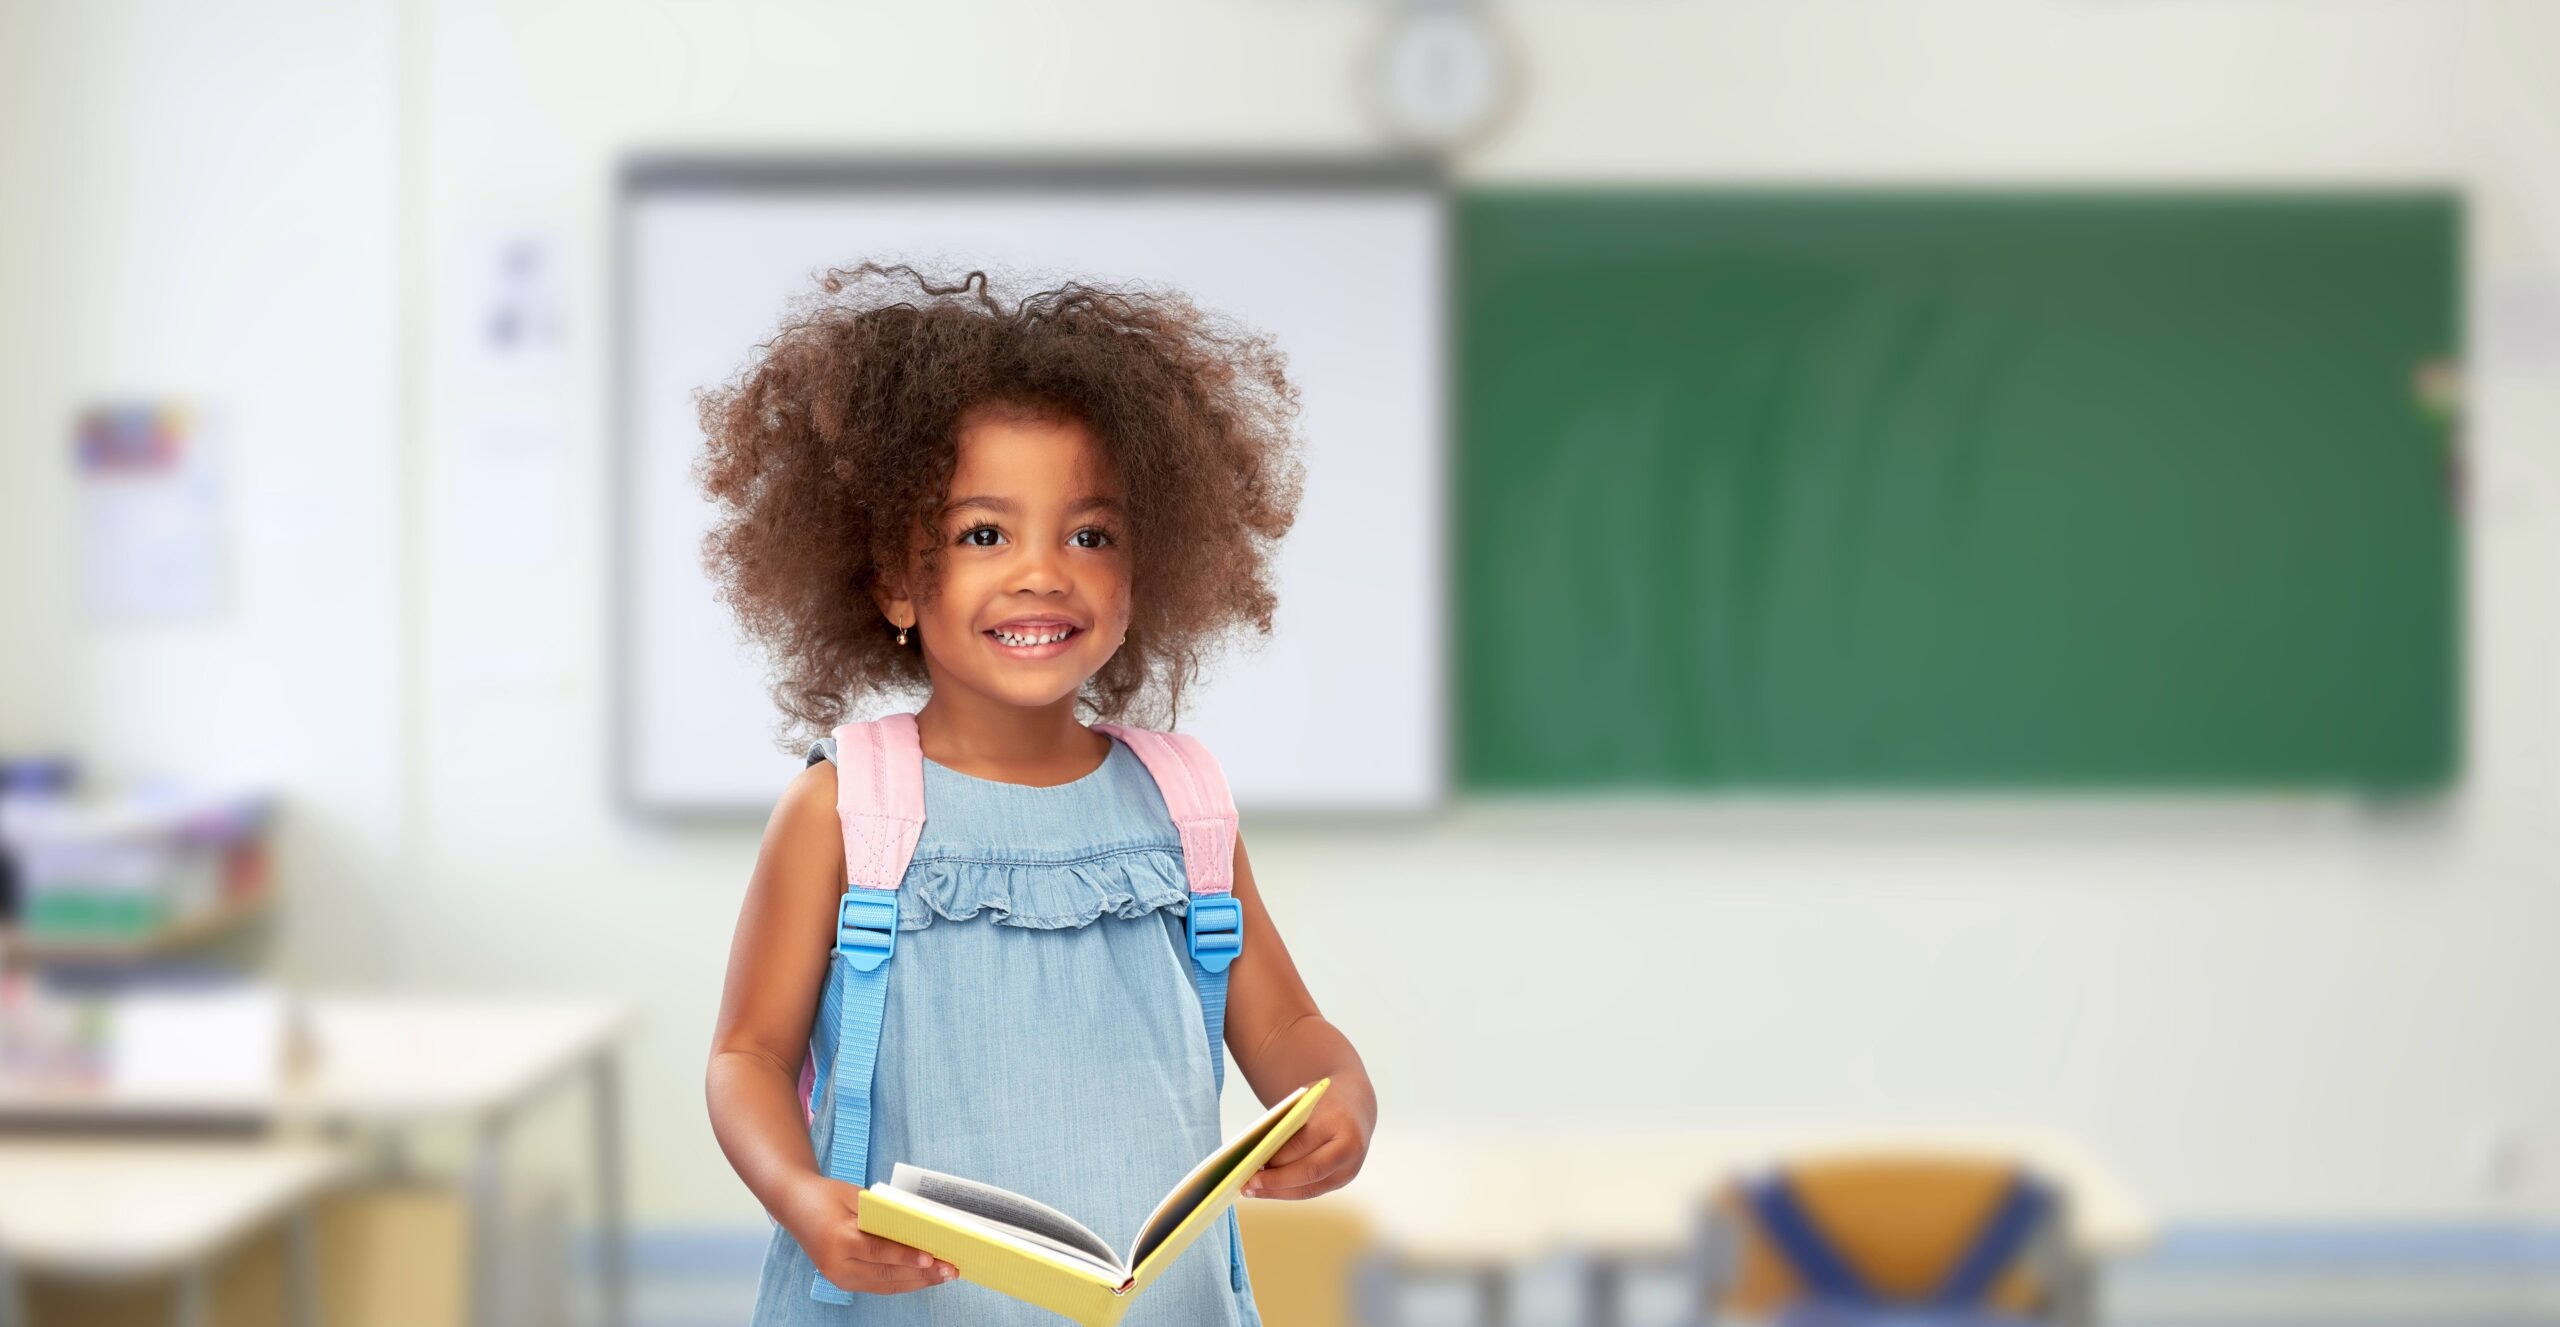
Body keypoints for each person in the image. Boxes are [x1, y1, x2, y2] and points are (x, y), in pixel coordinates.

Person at [699, 261, 1377, 1324]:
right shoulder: (845, 812)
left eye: (1089, 534)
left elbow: (1286, 1022)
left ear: (1142, 567)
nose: (1041, 572)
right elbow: (747, 1055)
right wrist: (802, 1196)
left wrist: (1337, 1090)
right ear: (892, 580)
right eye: (983, 533)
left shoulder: (1183, 803)